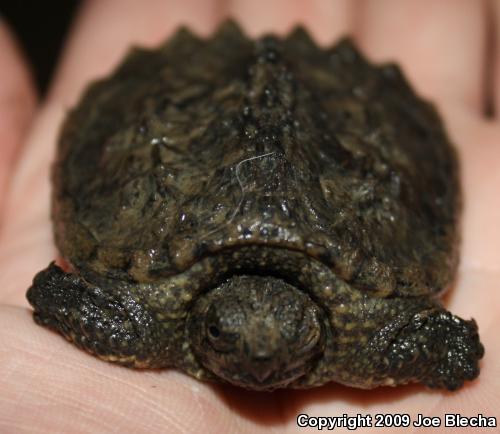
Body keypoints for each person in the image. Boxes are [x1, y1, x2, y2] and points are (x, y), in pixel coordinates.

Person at [0, 0, 498, 432]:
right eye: (222, 335)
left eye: (291, 337)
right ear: (201, 321)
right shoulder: (156, 317)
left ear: (317, 322)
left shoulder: (144, 323)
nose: (260, 360)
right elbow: (449, 342)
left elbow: (54, 293)